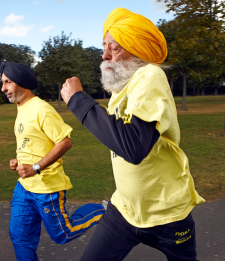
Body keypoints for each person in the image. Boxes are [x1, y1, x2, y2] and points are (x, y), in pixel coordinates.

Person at [60, 8, 205, 261]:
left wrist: (79, 102)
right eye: (103, 47)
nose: (105, 56)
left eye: (114, 48)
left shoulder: (150, 74)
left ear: (138, 50)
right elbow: (117, 134)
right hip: (124, 210)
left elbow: (134, 147)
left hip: (167, 215)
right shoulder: (122, 89)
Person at [0, 61, 105, 261]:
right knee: (20, 237)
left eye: (8, 82)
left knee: (63, 234)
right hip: (24, 188)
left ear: (21, 83)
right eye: (3, 82)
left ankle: (103, 210)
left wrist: (36, 167)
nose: (3, 88)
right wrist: (19, 160)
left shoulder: (41, 109)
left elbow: (64, 142)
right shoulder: (22, 107)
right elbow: (34, 143)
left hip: (46, 189)